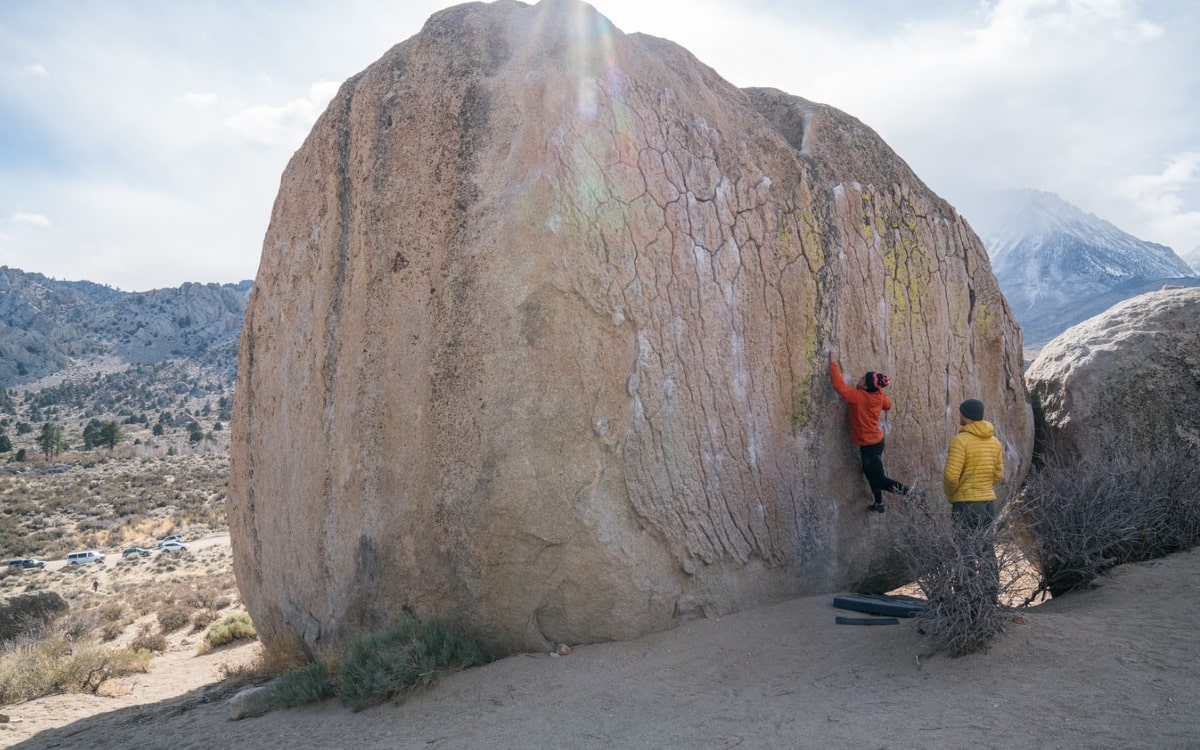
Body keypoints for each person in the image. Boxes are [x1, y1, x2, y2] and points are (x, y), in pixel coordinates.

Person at [829, 349, 914, 513]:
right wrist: (878, 390)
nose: (859, 378)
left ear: (866, 386)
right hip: (876, 443)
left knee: (879, 479)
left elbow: (839, 386)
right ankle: (878, 503)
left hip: (869, 446)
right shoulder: (879, 396)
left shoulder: (858, 397)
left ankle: (912, 495)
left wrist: (833, 363)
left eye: (862, 379)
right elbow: (888, 406)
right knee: (872, 473)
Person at [943, 398, 1005, 599]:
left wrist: (952, 495)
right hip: (988, 502)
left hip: (967, 503)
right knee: (986, 548)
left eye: (960, 413)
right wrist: (984, 487)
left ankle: (965, 594)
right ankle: (990, 593)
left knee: (965, 550)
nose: (959, 416)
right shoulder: (994, 441)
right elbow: (999, 474)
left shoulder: (960, 441)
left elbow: (951, 476)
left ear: (966, 416)